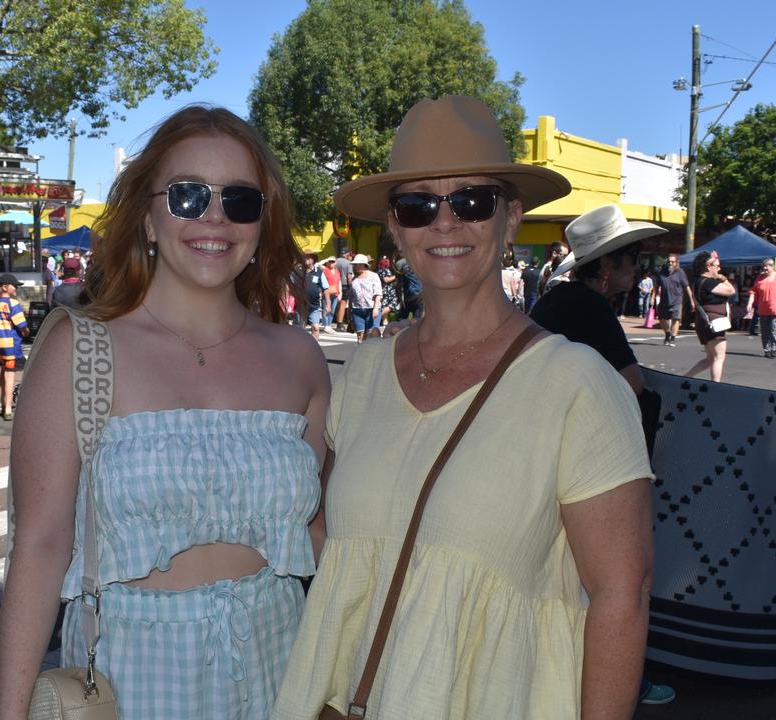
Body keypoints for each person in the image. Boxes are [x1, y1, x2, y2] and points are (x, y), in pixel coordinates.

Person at [272, 95, 654, 720]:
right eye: (418, 206)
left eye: (472, 201)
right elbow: (331, 545)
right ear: (395, 228)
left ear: (510, 218)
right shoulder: (362, 375)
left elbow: (622, 595)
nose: (444, 223)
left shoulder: (577, 384)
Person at [0, 105, 330, 720]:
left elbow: (317, 535)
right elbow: (40, 546)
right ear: (148, 218)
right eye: (186, 195)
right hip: (131, 677)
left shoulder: (300, 359)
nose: (215, 217)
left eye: (240, 199)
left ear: (262, 223)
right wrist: (10, 710)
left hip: (284, 661)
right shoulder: (80, 349)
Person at [529, 203, 674, 706]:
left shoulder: (556, 301)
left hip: (544, 452)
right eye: (632, 261)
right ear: (607, 266)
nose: (637, 272)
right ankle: (622, 683)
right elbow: (630, 387)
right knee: (618, 582)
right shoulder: (587, 307)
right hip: (584, 465)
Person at [684, 251, 736, 382]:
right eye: (717, 266)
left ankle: (686, 377)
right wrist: (724, 279)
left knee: (710, 358)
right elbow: (731, 290)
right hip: (713, 321)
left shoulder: (697, 281)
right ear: (708, 266)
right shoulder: (708, 282)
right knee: (719, 357)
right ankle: (715, 386)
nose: (719, 269)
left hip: (704, 321)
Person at [0, 273, 29, 420]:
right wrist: (26, 333)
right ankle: (7, 408)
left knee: (2, 373)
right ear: (5, 287)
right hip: (11, 345)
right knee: (10, 375)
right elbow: (21, 325)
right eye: (15, 286)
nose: (16, 288)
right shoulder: (13, 304)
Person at [748, 258, 776, 358]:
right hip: (763, 309)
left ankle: (773, 349)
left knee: (774, 329)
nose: (765, 268)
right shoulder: (760, 278)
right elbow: (753, 291)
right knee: (764, 331)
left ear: (773, 266)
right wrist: (750, 302)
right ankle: (767, 349)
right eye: (764, 266)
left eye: (767, 266)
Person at [657, 253, 694, 346]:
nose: (670, 263)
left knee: (676, 319)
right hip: (664, 300)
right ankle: (667, 333)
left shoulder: (680, 272)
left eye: (672, 262)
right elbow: (657, 285)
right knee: (661, 318)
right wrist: (653, 297)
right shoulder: (662, 272)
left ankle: (672, 338)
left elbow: (687, 287)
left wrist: (692, 301)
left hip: (677, 300)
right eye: (669, 261)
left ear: (676, 262)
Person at [347, 253, 382, 342]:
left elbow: (378, 293)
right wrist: (349, 313)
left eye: (356, 264)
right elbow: (351, 297)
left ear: (363, 264)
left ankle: (373, 354)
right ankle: (361, 354)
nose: (354, 266)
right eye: (354, 264)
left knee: (372, 334)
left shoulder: (373, 276)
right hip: (357, 310)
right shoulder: (354, 279)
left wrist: (375, 308)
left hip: (371, 309)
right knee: (360, 337)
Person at [303, 252, 329, 338]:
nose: (306, 259)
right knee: (300, 329)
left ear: (313, 259)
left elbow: (325, 288)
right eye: (304, 257)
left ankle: (314, 348)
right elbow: (289, 285)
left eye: (308, 257)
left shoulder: (319, 272)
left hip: (314, 305)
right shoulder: (298, 270)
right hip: (300, 306)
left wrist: (328, 304)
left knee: (315, 328)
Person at [376, 255, 402, 331]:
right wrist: (395, 276)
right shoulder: (385, 270)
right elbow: (386, 280)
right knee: (392, 305)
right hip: (388, 291)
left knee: (385, 306)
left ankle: (385, 324)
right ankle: (377, 317)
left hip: (384, 290)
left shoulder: (380, 270)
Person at [320, 256, 341, 333]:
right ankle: (326, 325)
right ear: (327, 262)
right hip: (327, 293)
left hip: (335, 293)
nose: (331, 263)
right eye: (330, 261)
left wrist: (340, 292)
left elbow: (339, 282)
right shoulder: (325, 270)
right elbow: (317, 264)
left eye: (333, 262)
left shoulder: (337, 271)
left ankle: (329, 325)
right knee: (326, 309)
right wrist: (326, 259)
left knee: (332, 310)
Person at [335, 249, 354, 331]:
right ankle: (340, 323)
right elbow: (349, 277)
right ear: (347, 254)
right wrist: (351, 286)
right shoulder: (348, 263)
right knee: (343, 304)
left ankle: (333, 321)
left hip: (334, 284)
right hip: (344, 285)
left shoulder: (335, 261)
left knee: (335, 304)